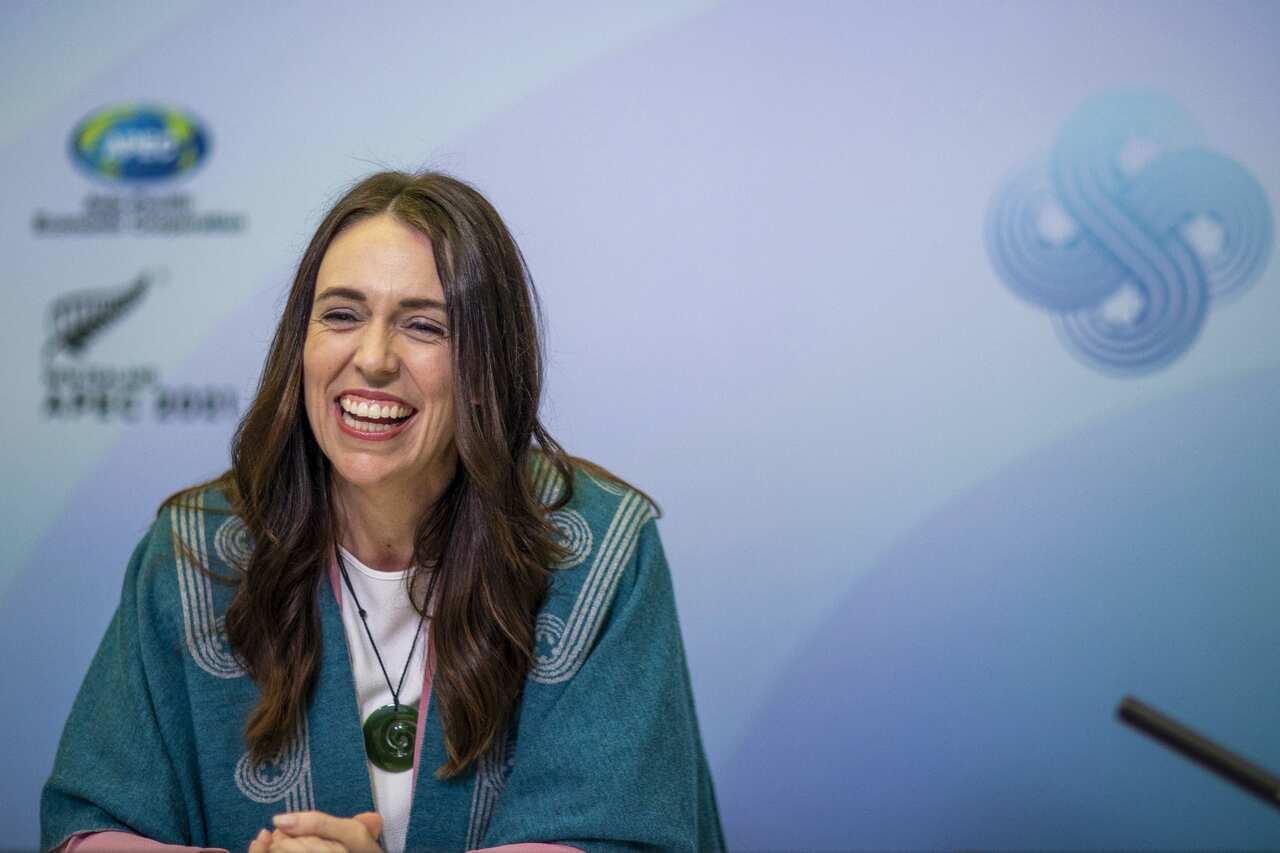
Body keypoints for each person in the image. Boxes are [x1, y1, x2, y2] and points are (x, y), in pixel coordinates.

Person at [41, 172, 724, 853]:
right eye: (340, 314)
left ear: (489, 363)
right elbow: (93, 825)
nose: (371, 359)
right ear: (298, 344)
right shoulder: (195, 554)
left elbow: (615, 838)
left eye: (424, 325)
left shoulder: (600, 556)